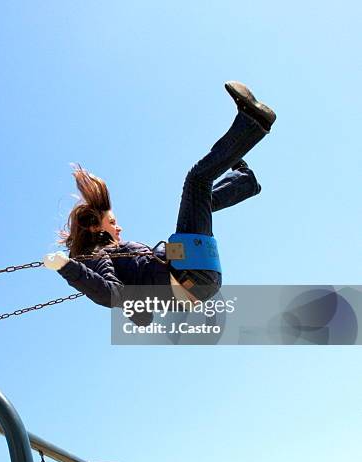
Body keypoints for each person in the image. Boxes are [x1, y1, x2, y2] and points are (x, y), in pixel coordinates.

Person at [43, 81, 276, 309]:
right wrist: (67, 268)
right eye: (112, 223)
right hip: (190, 275)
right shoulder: (97, 255)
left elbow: (141, 311)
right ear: (95, 227)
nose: (119, 228)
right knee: (197, 181)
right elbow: (111, 295)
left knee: (200, 202)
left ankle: (245, 182)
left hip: (198, 279)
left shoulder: (119, 256)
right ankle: (252, 123)